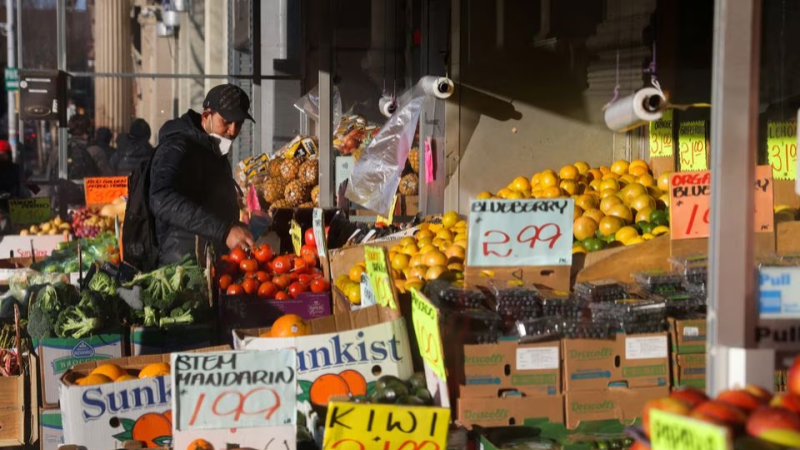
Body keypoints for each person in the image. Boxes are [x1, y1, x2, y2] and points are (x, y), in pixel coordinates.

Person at [149, 84, 255, 265]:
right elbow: (161, 199)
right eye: (227, 122)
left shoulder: (212, 147)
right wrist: (224, 231)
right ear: (206, 116)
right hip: (181, 264)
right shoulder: (177, 148)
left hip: (209, 260)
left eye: (239, 124)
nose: (232, 131)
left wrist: (234, 226)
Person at [66, 114, 100, 180]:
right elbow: (108, 178)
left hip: (64, 189)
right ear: (88, 130)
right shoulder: (96, 151)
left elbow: (49, 181)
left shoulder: (57, 152)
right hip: (88, 189)